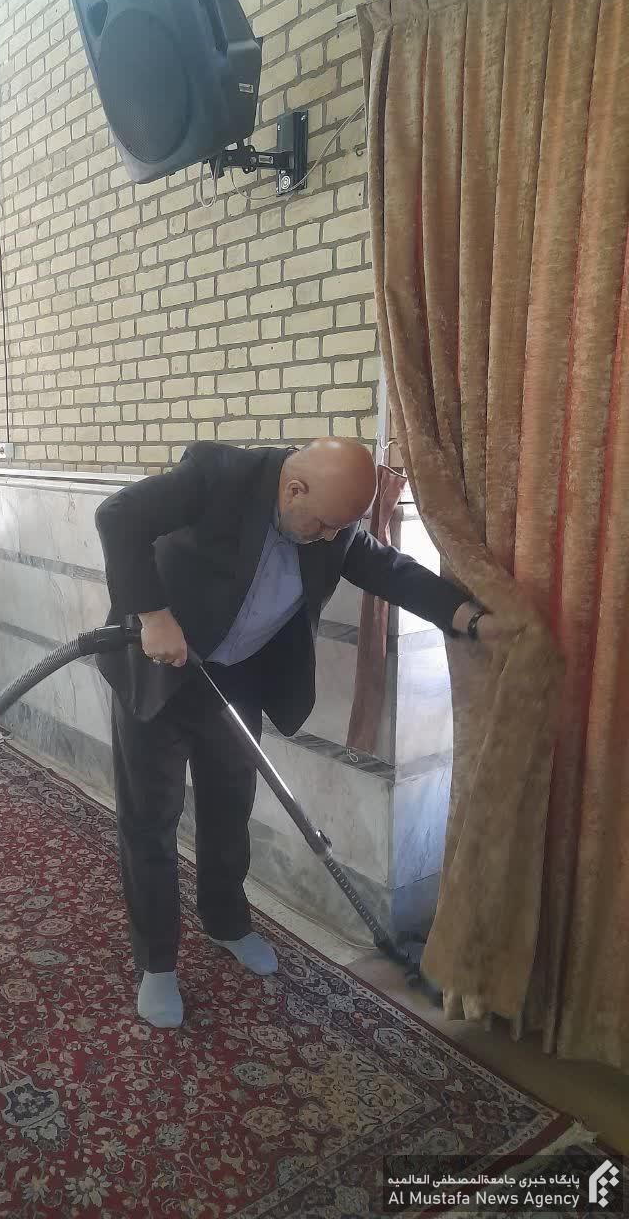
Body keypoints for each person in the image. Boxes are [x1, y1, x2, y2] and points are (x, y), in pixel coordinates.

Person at [95, 438, 508, 1028]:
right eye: (322, 526)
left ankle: (225, 921)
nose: (330, 539)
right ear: (293, 490)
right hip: (160, 670)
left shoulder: (330, 525)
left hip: (233, 678)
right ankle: (156, 963)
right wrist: (152, 615)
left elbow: (389, 569)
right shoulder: (218, 474)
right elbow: (117, 516)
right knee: (151, 820)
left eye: (340, 529)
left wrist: (468, 618)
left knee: (229, 808)